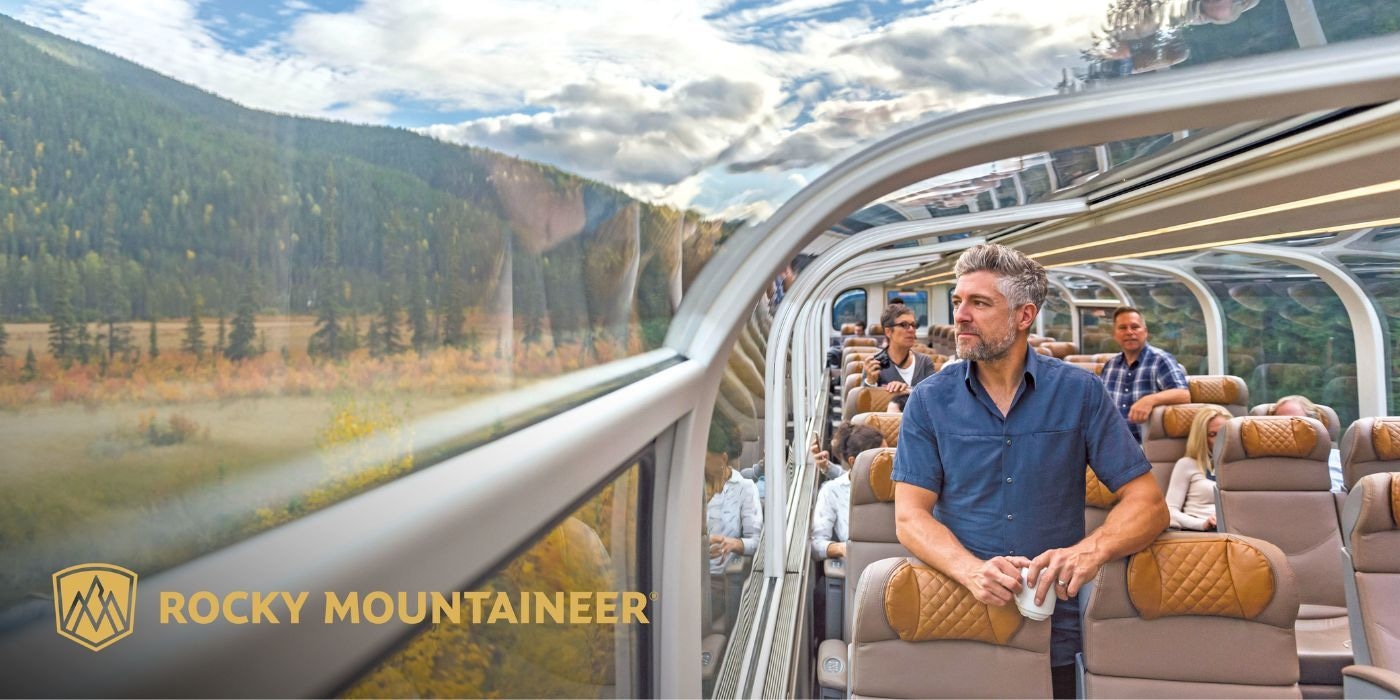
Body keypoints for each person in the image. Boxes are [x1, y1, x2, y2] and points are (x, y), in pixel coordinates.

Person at [892, 244, 1168, 699]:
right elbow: (909, 517)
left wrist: (1088, 552)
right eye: (958, 300)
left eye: (979, 303)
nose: (961, 314)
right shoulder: (928, 400)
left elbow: (1149, 505)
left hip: (1053, 620)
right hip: (958, 612)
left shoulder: (1079, 392)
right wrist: (972, 570)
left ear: (1024, 316)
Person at [1099, 307, 1190, 441]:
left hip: (1148, 446)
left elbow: (1183, 394)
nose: (1129, 332)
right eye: (1123, 328)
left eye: (1135, 327)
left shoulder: (1160, 360)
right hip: (1113, 443)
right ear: (1114, 334)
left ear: (1145, 332)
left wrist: (1149, 400)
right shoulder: (1110, 366)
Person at [812, 424, 885, 561]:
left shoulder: (901, 485)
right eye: (881, 458)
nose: (890, 461)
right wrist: (843, 548)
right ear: (853, 461)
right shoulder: (833, 491)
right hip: (860, 565)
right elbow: (816, 545)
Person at [706, 415, 762, 576]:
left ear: (723, 459)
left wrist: (733, 544)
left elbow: (756, 541)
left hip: (721, 579)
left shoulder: (744, 488)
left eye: (707, 457)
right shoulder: (691, 486)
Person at [1165, 406, 1232, 531]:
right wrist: (1202, 524)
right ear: (1202, 438)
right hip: (1201, 531)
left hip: (1236, 532)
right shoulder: (1187, 464)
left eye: (1224, 433)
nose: (1220, 440)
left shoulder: (1242, 468)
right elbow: (1170, 510)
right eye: (1213, 435)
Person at [1269, 395, 1343, 491]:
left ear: (1315, 424)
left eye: (1297, 422)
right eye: (1280, 423)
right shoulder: (1264, 465)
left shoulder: (1338, 459)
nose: (1288, 428)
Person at [863, 303, 935, 396]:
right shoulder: (874, 364)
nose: (911, 329)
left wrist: (907, 390)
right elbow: (865, 402)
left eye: (913, 325)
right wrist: (870, 382)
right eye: (904, 325)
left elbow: (934, 396)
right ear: (888, 332)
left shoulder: (924, 362)